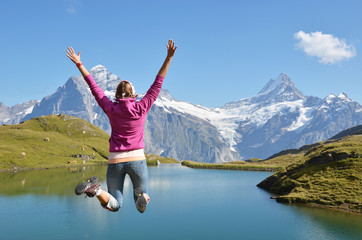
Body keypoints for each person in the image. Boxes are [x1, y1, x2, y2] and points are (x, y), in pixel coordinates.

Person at [67, 40, 177, 213]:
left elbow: (93, 87)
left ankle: (96, 190)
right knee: (141, 196)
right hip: (137, 160)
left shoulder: (111, 108)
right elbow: (158, 82)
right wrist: (169, 57)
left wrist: (79, 64)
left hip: (115, 160)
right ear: (133, 94)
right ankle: (143, 197)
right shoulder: (142, 106)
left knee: (115, 204)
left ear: (117, 94)